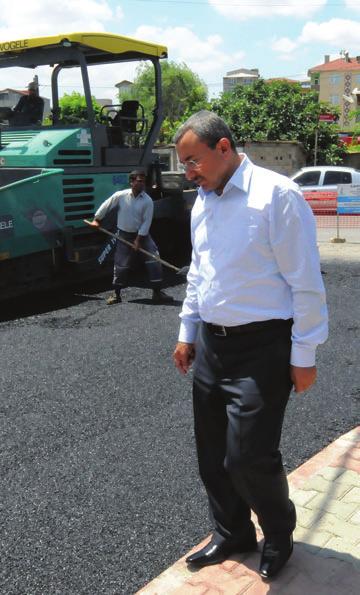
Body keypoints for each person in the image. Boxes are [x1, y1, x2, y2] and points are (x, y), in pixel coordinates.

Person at [172, 111, 328, 579]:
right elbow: (200, 274)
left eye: (193, 161)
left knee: (248, 457)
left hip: (264, 348)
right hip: (212, 347)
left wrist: (305, 356)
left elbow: (306, 282)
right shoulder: (203, 202)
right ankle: (232, 533)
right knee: (212, 455)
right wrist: (187, 332)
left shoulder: (276, 196)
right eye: (184, 164)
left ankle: (278, 533)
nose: (189, 173)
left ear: (224, 149)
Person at [90, 169, 173, 305]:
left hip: (143, 236)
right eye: (139, 181)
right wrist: (97, 219)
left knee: (154, 259)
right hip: (124, 235)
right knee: (121, 265)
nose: (142, 184)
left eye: (143, 182)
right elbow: (107, 204)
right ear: (131, 182)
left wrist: (138, 240)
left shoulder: (147, 201)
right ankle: (116, 294)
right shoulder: (121, 196)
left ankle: (157, 293)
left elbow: (146, 223)